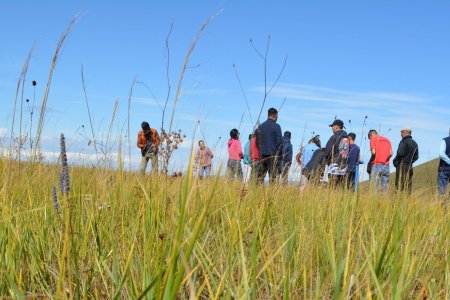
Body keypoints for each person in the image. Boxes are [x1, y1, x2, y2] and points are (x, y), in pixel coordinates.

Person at [255, 108, 283, 183]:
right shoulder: (277, 126)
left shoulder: (259, 127)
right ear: (276, 115)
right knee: (273, 179)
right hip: (272, 155)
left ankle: (256, 192)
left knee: (259, 178)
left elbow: (257, 143)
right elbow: (280, 142)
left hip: (262, 155)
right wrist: (278, 153)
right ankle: (272, 194)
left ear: (268, 115)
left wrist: (261, 150)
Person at [393, 126, 419, 194]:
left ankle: (398, 202)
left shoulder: (403, 141)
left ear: (404, 132)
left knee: (399, 187)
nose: (400, 134)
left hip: (402, 166)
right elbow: (416, 157)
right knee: (408, 186)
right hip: (410, 167)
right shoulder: (414, 143)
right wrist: (410, 162)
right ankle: (407, 202)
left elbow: (400, 153)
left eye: (401, 132)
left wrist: (395, 162)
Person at [322, 119, 349, 185]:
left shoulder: (334, 137)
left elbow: (327, 152)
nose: (332, 128)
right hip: (344, 167)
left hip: (334, 167)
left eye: (332, 127)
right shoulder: (346, 138)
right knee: (340, 187)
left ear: (336, 127)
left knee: (332, 187)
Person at [368, 129, 392, 194]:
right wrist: (385, 159)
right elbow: (391, 153)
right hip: (386, 166)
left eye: (369, 138)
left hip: (376, 165)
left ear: (371, 135)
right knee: (385, 187)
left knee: (374, 187)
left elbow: (373, 152)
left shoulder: (373, 139)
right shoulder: (387, 140)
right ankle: (385, 203)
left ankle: (374, 203)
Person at [438, 129, 450, 196]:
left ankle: (441, 206)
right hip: (444, 169)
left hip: (444, 168)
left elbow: (441, 154)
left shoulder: (445, 140)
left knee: (441, 192)